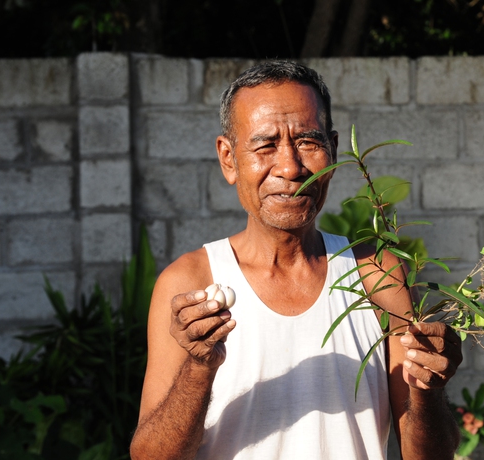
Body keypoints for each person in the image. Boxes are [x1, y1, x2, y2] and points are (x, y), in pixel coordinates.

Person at [130, 61, 462, 460]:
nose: (290, 168)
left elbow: (428, 454)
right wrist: (199, 369)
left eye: (308, 141)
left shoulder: (375, 273)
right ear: (229, 158)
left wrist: (429, 389)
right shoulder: (191, 281)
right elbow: (149, 456)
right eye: (265, 145)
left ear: (335, 151)